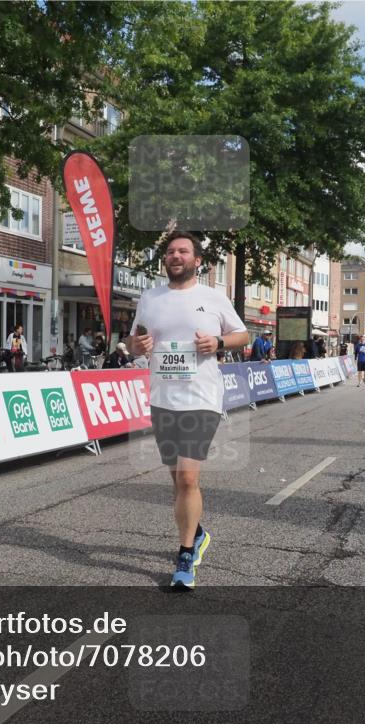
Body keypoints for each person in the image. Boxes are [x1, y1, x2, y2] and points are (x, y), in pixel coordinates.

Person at [127, 230, 248, 589]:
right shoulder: (149, 298)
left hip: (202, 398)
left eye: (183, 251)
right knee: (175, 479)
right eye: (169, 251)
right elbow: (134, 343)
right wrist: (137, 344)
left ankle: (185, 556)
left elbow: (243, 335)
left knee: (188, 478)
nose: (175, 255)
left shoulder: (213, 297)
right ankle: (195, 532)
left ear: (197, 261)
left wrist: (220, 341)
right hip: (162, 398)